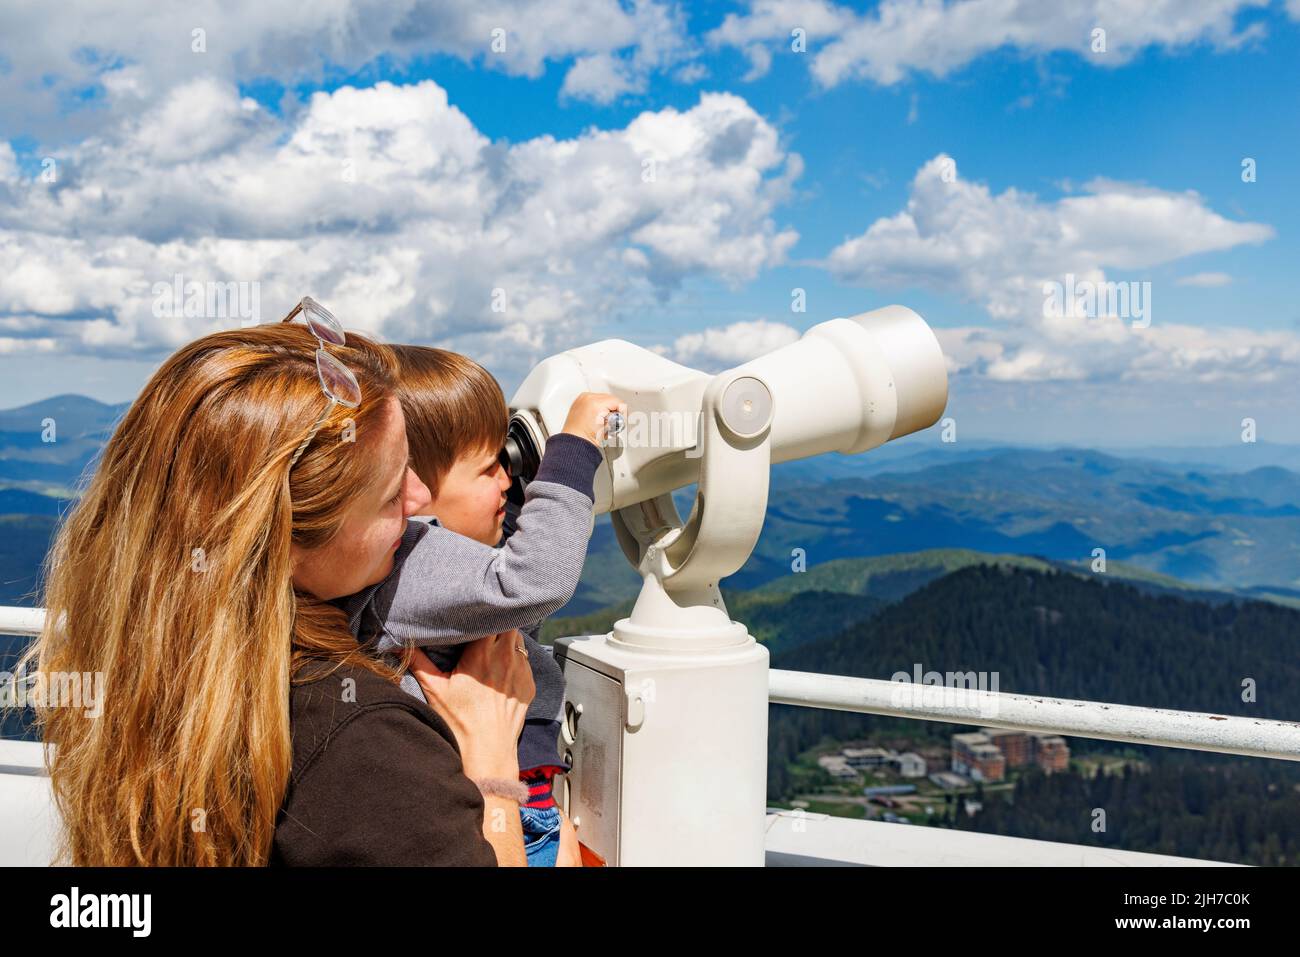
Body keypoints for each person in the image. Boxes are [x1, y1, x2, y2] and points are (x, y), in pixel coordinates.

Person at [15, 307, 543, 865]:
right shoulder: (366, 742)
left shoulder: (143, 671)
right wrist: (491, 776)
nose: (418, 501)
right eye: (391, 494)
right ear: (286, 546)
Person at [366, 343, 617, 864]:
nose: (507, 478)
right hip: (495, 816)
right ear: (414, 490)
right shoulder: (410, 561)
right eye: (488, 469)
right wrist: (573, 450)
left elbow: (511, 554)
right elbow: (535, 581)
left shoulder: (447, 565)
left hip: (519, 802)